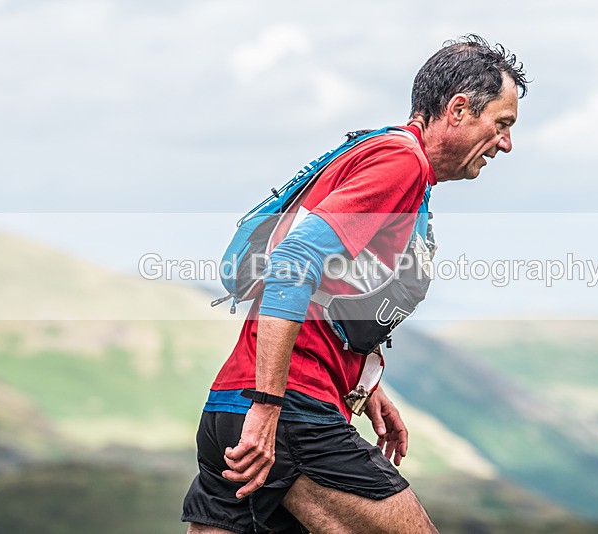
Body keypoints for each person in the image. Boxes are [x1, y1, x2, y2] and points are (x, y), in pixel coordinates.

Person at [182, 34, 528, 534]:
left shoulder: (377, 151)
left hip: (229, 407)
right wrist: (269, 406)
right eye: (501, 124)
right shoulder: (401, 164)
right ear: (458, 109)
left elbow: (335, 291)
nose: (506, 144)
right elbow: (295, 260)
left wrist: (363, 385)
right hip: (287, 412)